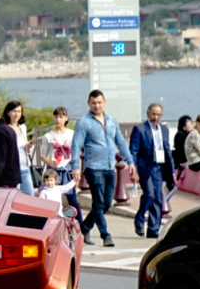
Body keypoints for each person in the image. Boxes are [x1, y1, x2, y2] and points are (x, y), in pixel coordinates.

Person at [71, 89, 135, 247]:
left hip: (109, 167)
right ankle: (105, 235)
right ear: (88, 103)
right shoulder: (84, 122)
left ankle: (84, 227)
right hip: (93, 167)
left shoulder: (112, 120)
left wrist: (131, 162)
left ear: (104, 102)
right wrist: (75, 167)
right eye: (93, 103)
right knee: (99, 203)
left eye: (99, 102)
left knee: (106, 203)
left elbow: (120, 142)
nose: (96, 106)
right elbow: (76, 145)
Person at [129, 103, 177, 239]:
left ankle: (153, 230)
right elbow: (133, 150)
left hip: (159, 168)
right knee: (149, 195)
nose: (155, 117)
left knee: (157, 199)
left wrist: (172, 172)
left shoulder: (164, 130)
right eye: (153, 114)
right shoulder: (139, 129)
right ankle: (139, 219)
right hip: (145, 168)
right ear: (148, 114)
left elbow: (168, 151)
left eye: (158, 114)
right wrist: (134, 169)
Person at [38, 107, 81, 220]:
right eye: (56, 116)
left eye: (61, 116)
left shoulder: (72, 134)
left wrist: (77, 171)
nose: (58, 119)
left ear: (66, 118)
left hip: (67, 170)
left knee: (72, 200)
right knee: (49, 199)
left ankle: (80, 227)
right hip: (53, 171)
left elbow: (76, 153)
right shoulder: (48, 136)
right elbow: (42, 155)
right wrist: (50, 162)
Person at [2, 100, 33, 195]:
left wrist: (28, 145)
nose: (17, 114)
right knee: (15, 198)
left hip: (25, 168)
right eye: (14, 111)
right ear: (8, 112)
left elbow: (22, 145)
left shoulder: (23, 127)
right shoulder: (5, 129)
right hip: (12, 171)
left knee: (30, 196)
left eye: (19, 111)